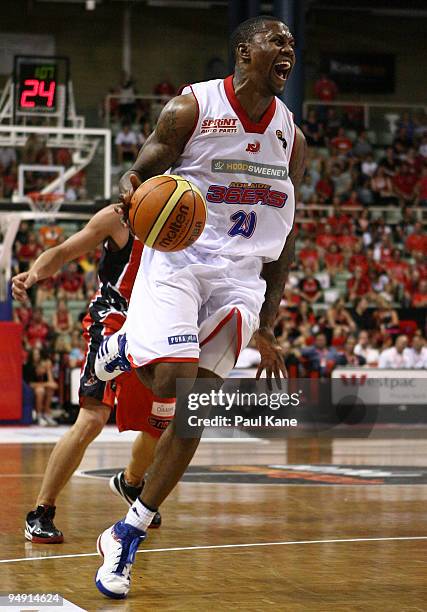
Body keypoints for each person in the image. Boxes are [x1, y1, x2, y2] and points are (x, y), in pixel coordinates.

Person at [94, 15, 306, 599]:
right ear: (244, 51)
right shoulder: (192, 108)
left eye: (291, 43)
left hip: (240, 279)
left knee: (193, 414)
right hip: (181, 257)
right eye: (275, 41)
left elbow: (285, 236)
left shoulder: (292, 135)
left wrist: (265, 325)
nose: (287, 49)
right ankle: (123, 346)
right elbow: (143, 168)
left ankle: (126, 533)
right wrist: (133, 186)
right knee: (169, 376)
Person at [12, 205, 169, 544]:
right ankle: (41, 510)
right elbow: (64, 251)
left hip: (155, 331)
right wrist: (35, 274)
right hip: (112, 325)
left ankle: (131, 481)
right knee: (93, 417)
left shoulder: (181, 217)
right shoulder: (118, 217)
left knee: (159, 424)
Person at [23, 347, 58, 426]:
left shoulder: (43, 366)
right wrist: (47, 384)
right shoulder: (28, 366)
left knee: (50, 389)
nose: (37, 356)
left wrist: (48, 369)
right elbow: (30, 384)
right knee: (40, 390)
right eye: (35, 354)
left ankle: (46, 414)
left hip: (41, 387)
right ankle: (39, 416)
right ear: (31, 356)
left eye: (38, 354)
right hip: (30, 389)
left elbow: (52, 384)